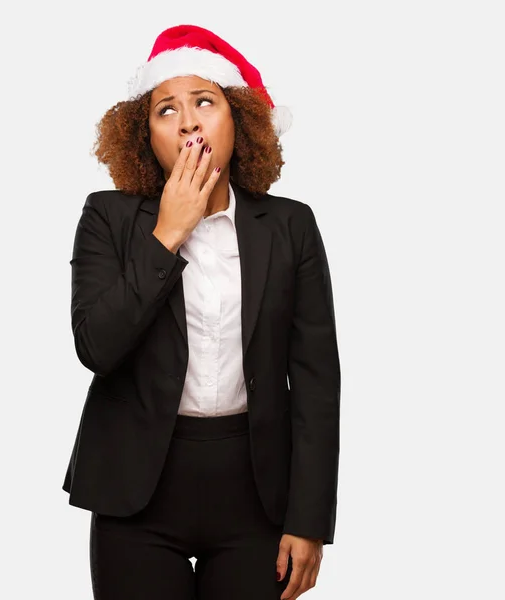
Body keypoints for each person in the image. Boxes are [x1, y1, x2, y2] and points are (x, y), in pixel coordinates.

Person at [62, 23, 341, 600]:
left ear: (237, 118)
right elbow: (97, 346)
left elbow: (316, 382)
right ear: (146, 138)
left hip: (255, 492)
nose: (188, 121)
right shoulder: (107, 219)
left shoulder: (291, 226)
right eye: (166, 109)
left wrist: (309, 521)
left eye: (205, 102)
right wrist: (168, 234)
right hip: (138, 492)